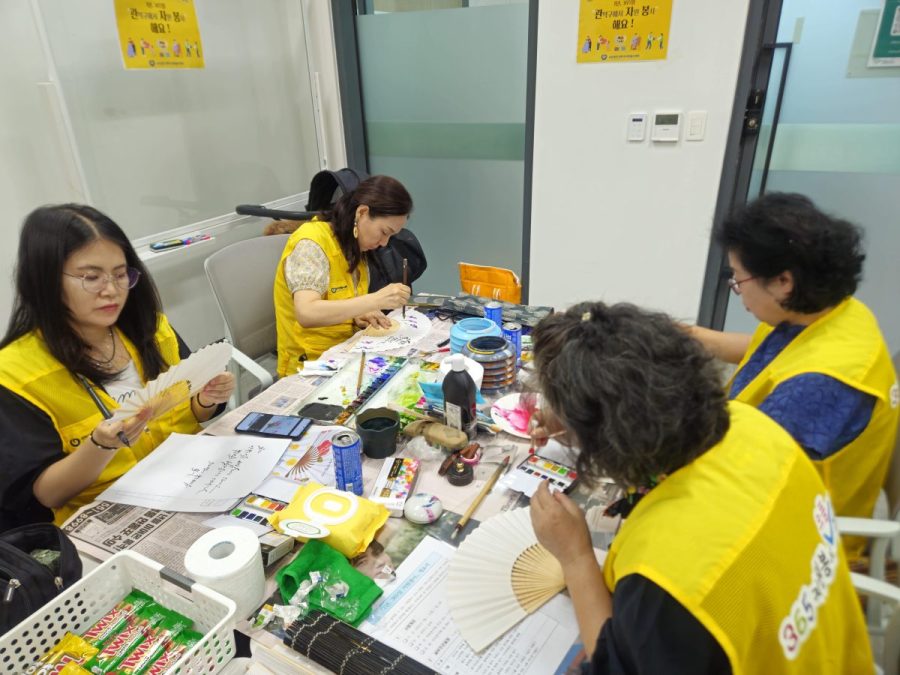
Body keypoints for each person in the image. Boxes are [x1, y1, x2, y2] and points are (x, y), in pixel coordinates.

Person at [529, 302, 872, 673]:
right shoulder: (754, 424)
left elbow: (614, 662)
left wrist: (576, 557)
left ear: (608, 442)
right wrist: (578, 424)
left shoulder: (662, 579)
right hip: (840, 653)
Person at [0, 205, 235, 530]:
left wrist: (206, 401)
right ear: (45, 280)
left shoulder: (152, 329)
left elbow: (189, 414)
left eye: (121, 274)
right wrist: (101, 447)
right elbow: (47, 495)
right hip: (108, 517)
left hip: (193, 482)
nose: (111, 290)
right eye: (91, 277)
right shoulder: (14, 374)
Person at [689, 193, 898, 557]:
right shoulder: (834, 312)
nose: (737, 290)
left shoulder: (819, 386)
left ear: (783, 281)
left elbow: (739, 479)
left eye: (738, 279)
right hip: (766, 484)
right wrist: (680, 334)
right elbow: (764, 351)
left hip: (793, 542)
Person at [273, 175, 414, 377]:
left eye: (391, 236)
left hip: (345, 352)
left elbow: (338, 297)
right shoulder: (311, 244)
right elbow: (307, 313)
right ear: (362, 212)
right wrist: (373, 300)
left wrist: (358, 313)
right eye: (384, 232)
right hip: (310, 364)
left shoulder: (353, 244)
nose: (384, 243)